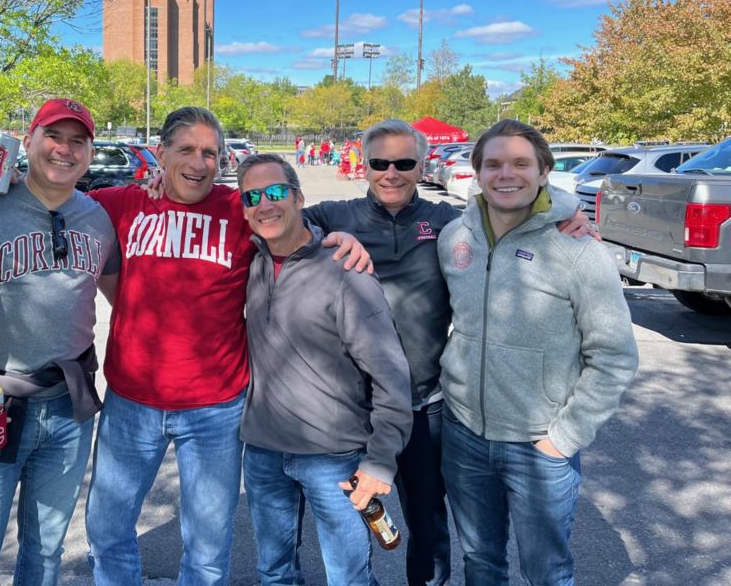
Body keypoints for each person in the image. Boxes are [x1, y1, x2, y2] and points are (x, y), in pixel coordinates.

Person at [82, 106, 369, 586]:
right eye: (187, 150)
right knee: (107, 530)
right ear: (160, 153)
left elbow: (297, 217)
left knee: (209, 546)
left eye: (210, 153)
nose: (199, 163)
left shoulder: (239, 209)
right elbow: (53, 195)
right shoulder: (123, 203)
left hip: (215, 408)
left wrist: (338, 238)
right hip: (131, 400)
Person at [305, 118, 594, 586]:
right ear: (365, 166)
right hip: (349, 409)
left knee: (427, 525)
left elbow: (515, 206)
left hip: (423, 406)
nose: (391, 172)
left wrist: (568, 212)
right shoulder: (334, 216)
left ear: (422, 166)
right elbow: (270, 215)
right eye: (380, 162)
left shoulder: (447, 222)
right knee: (344, 526)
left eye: (404, 162)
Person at [437, 119, 638, 586]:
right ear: (478, 173)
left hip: (538, 443)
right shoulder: (455, 239)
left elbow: (614, 356)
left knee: (546, 571)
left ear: (544, 172)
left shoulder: (578, 250)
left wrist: (564, 437)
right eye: (494, 164)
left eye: (521, 163)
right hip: (463, 433)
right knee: (481, 562)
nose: (507, 174)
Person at [0, 98, 120, 586]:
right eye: (53, 136)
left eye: (77, 140)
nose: (64, 149)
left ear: (89, 152)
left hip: (67, 410)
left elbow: (128, 300)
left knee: (45, 556)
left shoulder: (97, 218)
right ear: (28, 140)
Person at [237, 153, 413, 585]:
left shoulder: (345, 270)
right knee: (274, 572)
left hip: (333, 458)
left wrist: (380, 462)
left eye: (276, 192)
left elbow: (391, 376)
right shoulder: (252, 259)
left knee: (347, 578)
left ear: (298, 198)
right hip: (263, 452)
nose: (265, 204)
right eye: (252, 196)